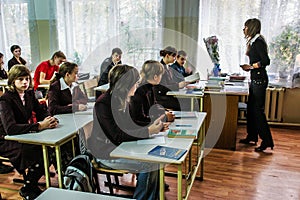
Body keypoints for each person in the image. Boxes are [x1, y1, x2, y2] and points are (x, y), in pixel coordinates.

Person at [87, 64, 165, 200]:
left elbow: (130, 125)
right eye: (135, 83)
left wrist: (152, 125)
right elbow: (117, 135)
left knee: (156, 162)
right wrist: (147, 131)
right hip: (105, 152)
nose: (137, 85)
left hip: (120, 147)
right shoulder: (103, 104)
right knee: (148, 165)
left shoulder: (123, 100)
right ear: (125, 85)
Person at [0, 65, 58, 199]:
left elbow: (41, 111)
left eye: (27, 79)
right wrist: (38, 126)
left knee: (49, 150)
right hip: (6, 139)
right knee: (36, 151)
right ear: (13, 80)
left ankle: (30, 184)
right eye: (21, 79)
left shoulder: (29, 94)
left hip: (23, 134)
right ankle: (29, 186)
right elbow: (11, 129)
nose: (25, 82)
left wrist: (50, 119)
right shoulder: (5, 100)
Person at [239, 18, 274, 152]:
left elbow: (265, 61)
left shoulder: (258, 42)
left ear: (252, 27)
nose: (244, 29)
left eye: (246, 26)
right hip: (255, 80)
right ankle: (252, 136)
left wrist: (251, 66)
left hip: (259, 80)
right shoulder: (254, 41)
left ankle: (267, 141)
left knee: (258, 112)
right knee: (251, 110)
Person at [130, 60, 175, 126]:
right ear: (155, 77)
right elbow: (140, 118)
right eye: (161, 75)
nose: (161, 77)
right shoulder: (139, 92)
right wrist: (164, 118)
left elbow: (154, 106)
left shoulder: (150, 87)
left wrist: (164, 111)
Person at [157, 46, 189, 110]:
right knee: (184, 102)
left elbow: (169, 82)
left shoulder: (167, 67)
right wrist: (178, 85)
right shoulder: (160, 68)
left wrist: (180, 84)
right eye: (174, 56)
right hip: (161, 98)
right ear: (167, 56)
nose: (175, 58)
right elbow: (162, 87)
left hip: (167, 95)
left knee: (187, 101)